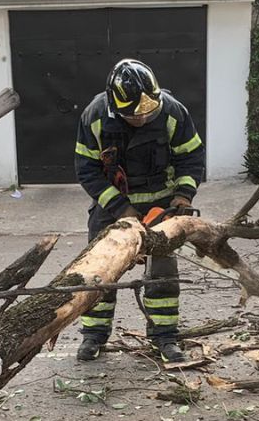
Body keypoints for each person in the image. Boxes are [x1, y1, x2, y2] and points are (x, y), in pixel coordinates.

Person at [73, 59, 206, 363]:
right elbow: (87, 169)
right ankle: (94, 335)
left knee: (162, 275)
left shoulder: (172, 111)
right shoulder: (95, 116)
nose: (143, 119)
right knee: (100, 272)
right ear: (116, 107)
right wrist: (122, 209)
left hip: (161, 209)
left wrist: (183, 198)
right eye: (135, 115)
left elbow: (191, 157)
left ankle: (165, 337)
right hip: (112, 208)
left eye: (149, 112)